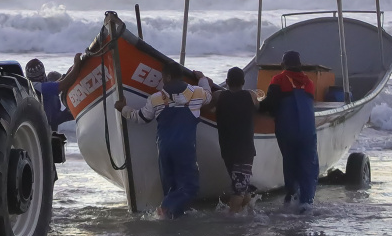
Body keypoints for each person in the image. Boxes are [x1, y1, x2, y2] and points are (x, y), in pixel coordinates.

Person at [114, 61, 213, 218]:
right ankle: (166, 208)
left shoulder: (156, 98)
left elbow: (141, 118)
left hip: (164, 147)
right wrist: (202, 79)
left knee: (170, 187)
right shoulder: (197, 93)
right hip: (185, 147)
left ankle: (172, 218)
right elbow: (209, 95)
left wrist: (123, 109)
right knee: (190, 187)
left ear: (167, 76)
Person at [259, 50, 319, 213]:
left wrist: (255, 104)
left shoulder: (279, 79)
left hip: (288, 129)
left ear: (283, 64)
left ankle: (291, 197)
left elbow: (270, 104)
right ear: (300, 65)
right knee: (308, 166)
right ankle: (306, 203)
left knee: (290, 163)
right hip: (308, 131)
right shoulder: (309, 82)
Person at [210, 67, 259, 213]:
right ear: (244, 82)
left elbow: (208, 106)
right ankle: (233, 226)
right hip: (245, 151)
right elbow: (259, 106)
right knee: (239, 191)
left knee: (242, 188)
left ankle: (247, 215)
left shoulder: (219, 96)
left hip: (227, 151)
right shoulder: (251, 95)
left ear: (226, 82)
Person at [26, 55, 84, 130]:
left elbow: (56, 84)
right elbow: (65, 84)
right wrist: (77, 64)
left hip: (42, 120)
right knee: (54, 78)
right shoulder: (40, 87)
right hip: (48, 123)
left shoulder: (30, 85)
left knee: (53, 76)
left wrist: (67, 74)